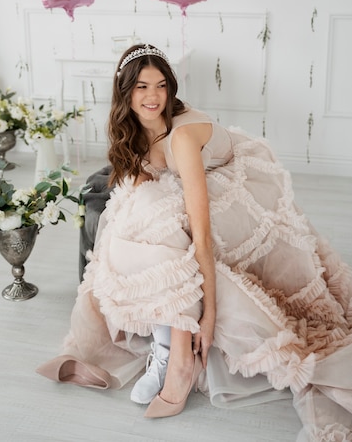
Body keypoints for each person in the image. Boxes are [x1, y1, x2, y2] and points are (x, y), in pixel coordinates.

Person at [37, 44, 352, 437]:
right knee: (131, 218)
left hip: (238, 187)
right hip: (188, 184)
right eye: (140, 87)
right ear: (125, 93)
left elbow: (201, 236)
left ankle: (179, 357)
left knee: (165, 221)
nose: (152, 97)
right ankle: (166, 347)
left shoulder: (181, 138)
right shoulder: (131, 128)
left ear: (171, 89)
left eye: (161, 86)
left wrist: (209, 316)